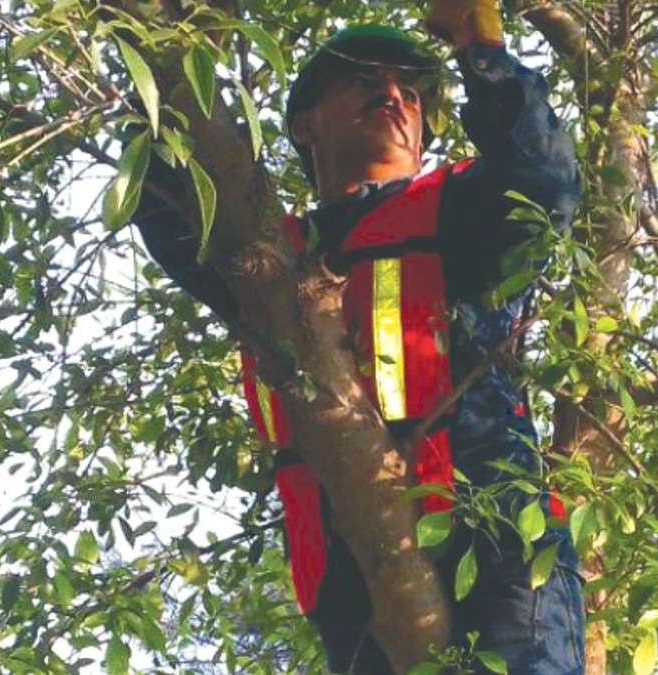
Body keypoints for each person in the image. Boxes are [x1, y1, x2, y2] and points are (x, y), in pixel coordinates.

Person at [133, 2, 583, 672]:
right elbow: (160, 198)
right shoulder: (268, 261)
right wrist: (178, 60)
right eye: (363, 79)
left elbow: (546, 186)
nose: (394, 95)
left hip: (494, 552)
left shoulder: (464, 206)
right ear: (305, 125)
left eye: (409, 89)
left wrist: (481, 52)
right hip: (349, 574)